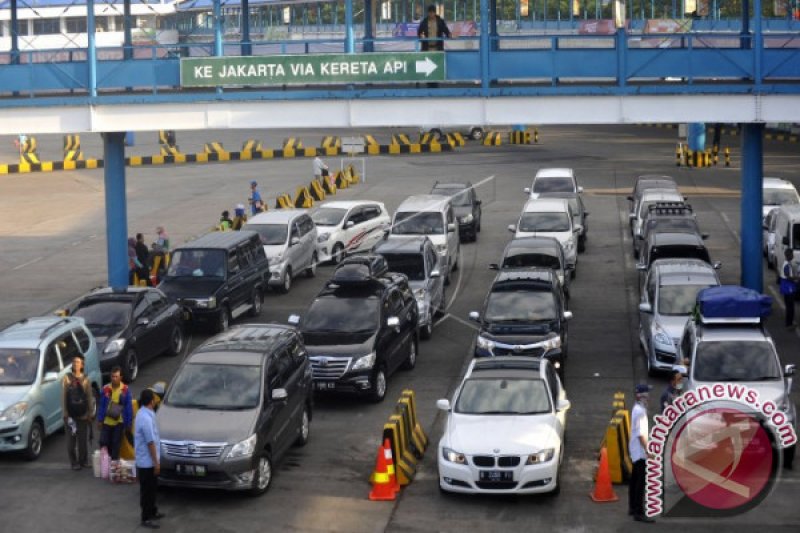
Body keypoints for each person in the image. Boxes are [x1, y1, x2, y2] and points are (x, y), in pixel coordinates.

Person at [135, 388, 164, 529]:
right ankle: (145, 517)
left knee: (152, 488)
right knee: (147, 491)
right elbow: (150, 442)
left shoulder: (145, 413)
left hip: (148, 460)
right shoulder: (145, 418)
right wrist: (156, 463)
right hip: (147, 462)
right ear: (151, 401)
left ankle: (152, 511)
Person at [62, 354, 94, 470]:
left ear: (82, 365)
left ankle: (83, 461)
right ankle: (74, 462)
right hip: (70, 416)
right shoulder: (66, 378)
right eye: (74, 362)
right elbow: (64, 396)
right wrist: (65, 412)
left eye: (78, 362)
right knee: (70, 443)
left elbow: (89, 397)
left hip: (82, 414)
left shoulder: (86, 379)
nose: (76, 364)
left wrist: (90, 413)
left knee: (82, 442)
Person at [629, 383, 655, 523]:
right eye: (647, 393)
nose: (649, 396)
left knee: (634, 481)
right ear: (641, 395)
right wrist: (648, 451)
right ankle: (639, 512)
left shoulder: (637, 408)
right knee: (640, 483)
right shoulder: (640, 411)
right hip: (639, 452)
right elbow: (640, 435)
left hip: (634, 450)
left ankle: (632, 507)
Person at [97, 367, 134, 461]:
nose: (114, 379)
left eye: (116, 377)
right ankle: (106, 461)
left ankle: (113, 464)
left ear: (121, 377)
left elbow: (128, 407)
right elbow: (101, 405)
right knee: (103, 442)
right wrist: (100, 420)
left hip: (119, 422)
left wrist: (129, 423)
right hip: (106, 421)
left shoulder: (125, 390)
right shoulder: (105, 389)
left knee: (116, 443)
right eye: (112, 376)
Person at [780, 248, 799, 328]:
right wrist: (797, 278)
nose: (793, 256)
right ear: (789, 255)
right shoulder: (787, 265)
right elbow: (788, 277)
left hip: (787, 288)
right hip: (788, 289)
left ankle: (789, 323)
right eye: (792, 254)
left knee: (789, 307)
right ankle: (789, 324)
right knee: (790, 307)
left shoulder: (787, 263)